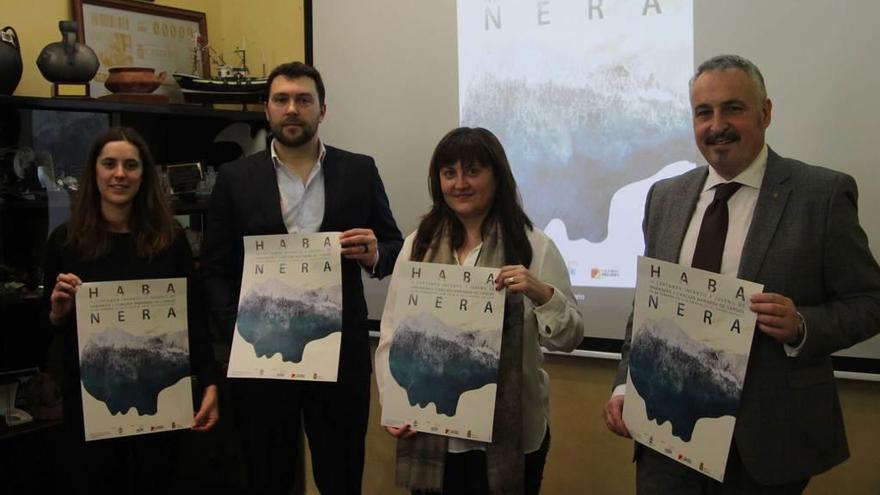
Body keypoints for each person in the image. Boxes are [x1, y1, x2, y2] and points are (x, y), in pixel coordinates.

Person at [603, 54, 880, 493]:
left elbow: (869, 301)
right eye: (703, 112)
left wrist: (803, 326)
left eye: (733, 108)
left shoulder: (821, 195)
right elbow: (647, 306)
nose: (717, 125)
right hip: (665, 432)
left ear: (765, 112)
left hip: (765, 443)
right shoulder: (665, 198)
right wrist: (625, 386)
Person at [199, 61, 403, 494]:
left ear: (322, 110)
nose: (293, 109)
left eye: (303, 100)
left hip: (339, 354)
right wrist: (236, 329)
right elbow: (214, 268)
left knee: (341, 475)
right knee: (267, 475)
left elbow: (394, 250)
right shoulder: (236, 178)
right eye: (282, 100)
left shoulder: (359, 170)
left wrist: (374, 254)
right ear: (267, 110)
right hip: (261, 355)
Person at [376, 127, 584, 494]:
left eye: (473, 171)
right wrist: (393, 403)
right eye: (449, 173)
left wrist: (542, 294)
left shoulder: (535, 246)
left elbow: (570, 337)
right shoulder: (417, 243)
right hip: (433, 433)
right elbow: (393, 331)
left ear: (496, 176)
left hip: (510, 436)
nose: (460, 184)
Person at [42, 126, 220, 494]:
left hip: (160, 398)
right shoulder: (65, 242)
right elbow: (49, 331)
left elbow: (194, 317)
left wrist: (210, 382)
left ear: (145, 174)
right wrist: (58, 313)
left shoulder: (170, 240)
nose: (120, 174)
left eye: (130, 165)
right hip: (93, 402)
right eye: (109, 164)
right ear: (94, 171)